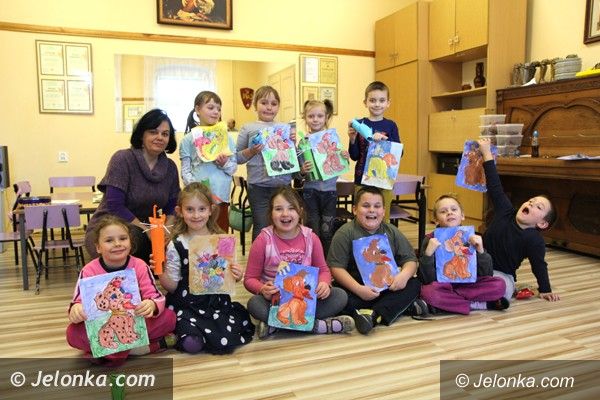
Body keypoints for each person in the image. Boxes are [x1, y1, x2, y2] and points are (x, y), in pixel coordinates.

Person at [244, 186, 354, 339]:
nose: (285, 214)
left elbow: (323, 270)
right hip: (275, 302)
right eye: (278, 209)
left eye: (291, 208)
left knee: (340, 296)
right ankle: (319, 326)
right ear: (270, 213)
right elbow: (249, 279)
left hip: (306, 299)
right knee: (254, 304)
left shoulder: (311, 238)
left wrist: (325, 284)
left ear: (300, 212)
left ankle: (276, 326)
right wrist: (262, 289)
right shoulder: (263, 240)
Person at [67, 215, 176, 366]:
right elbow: (77, 301)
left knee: (169, 317)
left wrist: (151, 305)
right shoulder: (89, 270)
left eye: (123, 238)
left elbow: (156, 296)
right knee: (72, 333)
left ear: (130, 243)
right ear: (98, 247)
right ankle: (144, 348)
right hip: (105, 325)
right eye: (109, 240)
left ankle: (110, 353)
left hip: (134, 322)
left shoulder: (139, 265)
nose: (117, 244)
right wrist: (77, 310)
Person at [159, 183, 255, 354]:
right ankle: (190, 335)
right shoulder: (177, 244)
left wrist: (237, 275)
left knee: (227, 338)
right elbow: (172, 286)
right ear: (180, 211)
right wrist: (159, 271)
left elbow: (228, 279)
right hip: (186, 305)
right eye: (190, 209)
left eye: (202, 209)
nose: (196, 215)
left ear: (210, 210)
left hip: (215, 303)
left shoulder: (222, 241)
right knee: (191, 344)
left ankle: (205, 335)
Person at [85, 108, 180, 264]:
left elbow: (172, 205)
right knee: (136, 240)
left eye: (165, 134)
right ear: (141, 134)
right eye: (153, 132)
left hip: (149, 229)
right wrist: (147, 230)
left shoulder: (170, 167)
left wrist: (167, 230)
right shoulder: (122, 159)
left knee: (179, 242)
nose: (159, 137)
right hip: (110, 226)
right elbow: (115, 206)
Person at [327, 186, 421, 335]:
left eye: (377, 206)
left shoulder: (391, 231)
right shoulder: (345, 232)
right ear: (355, 210)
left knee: (414, 284)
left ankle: (373, 315)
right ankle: (393, 308)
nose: (371, 210)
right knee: (339, 295)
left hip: (387, 287)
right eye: (366, 206)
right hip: (357, 287)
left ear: (383, 211)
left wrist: (403, 276)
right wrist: (359, 289)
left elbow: (410, 260)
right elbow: (336, 268)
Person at [478, 138, 560, 302]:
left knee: (502, 288)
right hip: (477, 264)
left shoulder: (534, 240)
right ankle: (473, 293)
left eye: (538, 207)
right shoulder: (505, 211)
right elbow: (495, 186)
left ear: (542, 223)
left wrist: (545, 289)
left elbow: (539, 265)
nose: (531, 203)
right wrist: (486, 152)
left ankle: (476, 297)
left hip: (500, 274)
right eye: (531, 201)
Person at [418, 194, 509, 314]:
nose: (449, 213)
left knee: (499, 284)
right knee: (428, 292)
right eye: (443, 211)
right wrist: (428, 254)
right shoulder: (430, 239)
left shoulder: (471, 237)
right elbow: (426, 279)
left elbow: (486, 274)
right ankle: (478, 304)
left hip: (468, 286)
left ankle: (450, 303)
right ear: (436, 219)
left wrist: (480, 250)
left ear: (462, 215)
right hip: (443, 286)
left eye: (454, 209)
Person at [236, 86, 296, 241]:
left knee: (283, 226)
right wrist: (251, 151)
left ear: (278, 107)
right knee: (261, 226)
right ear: (255, 105)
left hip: (283, 186)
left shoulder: (285, 128)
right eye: (264, 103)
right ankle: (260, 256)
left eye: (274, 104)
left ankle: (282, 255)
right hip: (258, 187)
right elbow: (237, 158)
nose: (269, 107)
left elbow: (293, 158)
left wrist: (294, 144)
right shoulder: (248, 128)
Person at [180, 91, 237, 232]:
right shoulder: (188, 139)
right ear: (197, 109)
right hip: (197, 202)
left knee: (220, 234)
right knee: (198, 236)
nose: (216, 112)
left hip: (221, 198)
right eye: (211, 107)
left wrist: (224, 164)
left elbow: (233, 169)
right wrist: (197, 191)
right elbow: (185, 171)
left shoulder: (227, 138)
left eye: (218, 109)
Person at [298, 99, 348, 254]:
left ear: (326, 118)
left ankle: (326, 262)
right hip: (310, 191)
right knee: (312, 229)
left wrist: (345, 157)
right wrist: (302, 170)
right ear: (305, 118)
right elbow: (298, 172)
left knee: (327, 230)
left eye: (319, 116)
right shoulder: (303, 142)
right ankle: (313, 260)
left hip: (330, 192)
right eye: (311, 116)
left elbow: (340, 163)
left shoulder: (332, 139)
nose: (315, 119)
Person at [347, 81, 401, 222]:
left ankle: (382, 237)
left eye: (382, 100)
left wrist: (383, 142)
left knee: (383, 218)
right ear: (365, 102)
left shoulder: (391, 125)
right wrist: (352, 139)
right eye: (372, 100)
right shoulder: (359, 124)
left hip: (384, 180)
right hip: (362, 180)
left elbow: (399, 153)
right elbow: (354, 156)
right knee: (361, 218)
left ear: (388, 103)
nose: (377, 104)